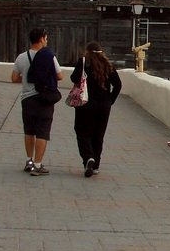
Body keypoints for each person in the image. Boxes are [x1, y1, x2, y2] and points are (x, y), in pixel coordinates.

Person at [11, 28, 63, 176]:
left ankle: (29, 161)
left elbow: (14, 78)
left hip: (27, 99)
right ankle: (38, 164)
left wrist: (27, 81)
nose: (47, 41)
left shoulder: (21, 57)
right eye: (46, 38)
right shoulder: (49, 56)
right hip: (44, 99)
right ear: (41, 39)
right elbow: (60, 76)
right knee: (42, 132)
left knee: (29, 131)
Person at [70, 41, 122, 177]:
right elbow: (118, 85)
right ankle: (96, 165)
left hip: (86, 103)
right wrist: (111, 100)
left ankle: (88, 158)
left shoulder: (83, 63)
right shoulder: (108, 65)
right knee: (99, 134)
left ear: (87, 51)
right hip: (104, 105)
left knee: (82, 131)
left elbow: (73, 78)